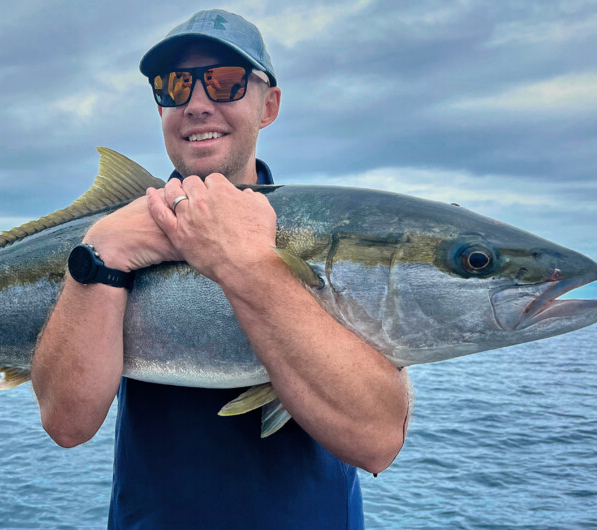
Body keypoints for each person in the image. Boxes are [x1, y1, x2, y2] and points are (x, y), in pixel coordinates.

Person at [31, 9, 410, 528]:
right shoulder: (107, 242)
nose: (197, 104)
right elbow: (67, 425)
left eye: (226, 83)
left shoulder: (326, 238)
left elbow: (376, 442)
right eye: (174, 86)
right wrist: (98, 254)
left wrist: (249, 263)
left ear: (268, 104)